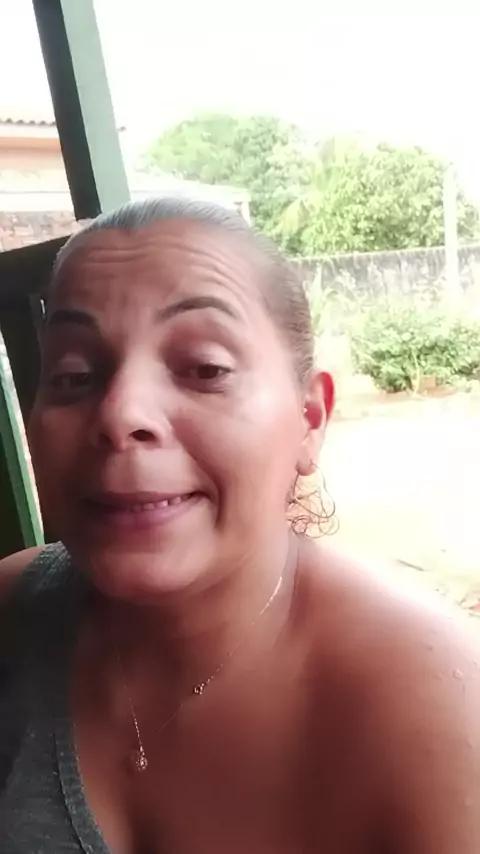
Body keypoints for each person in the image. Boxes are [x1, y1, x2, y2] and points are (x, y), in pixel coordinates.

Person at [0, 197, 478, 854]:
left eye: (205, 369)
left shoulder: (441, 711)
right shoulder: (14, 617)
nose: (120, 413)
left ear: (310, 419)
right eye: (74, 375)